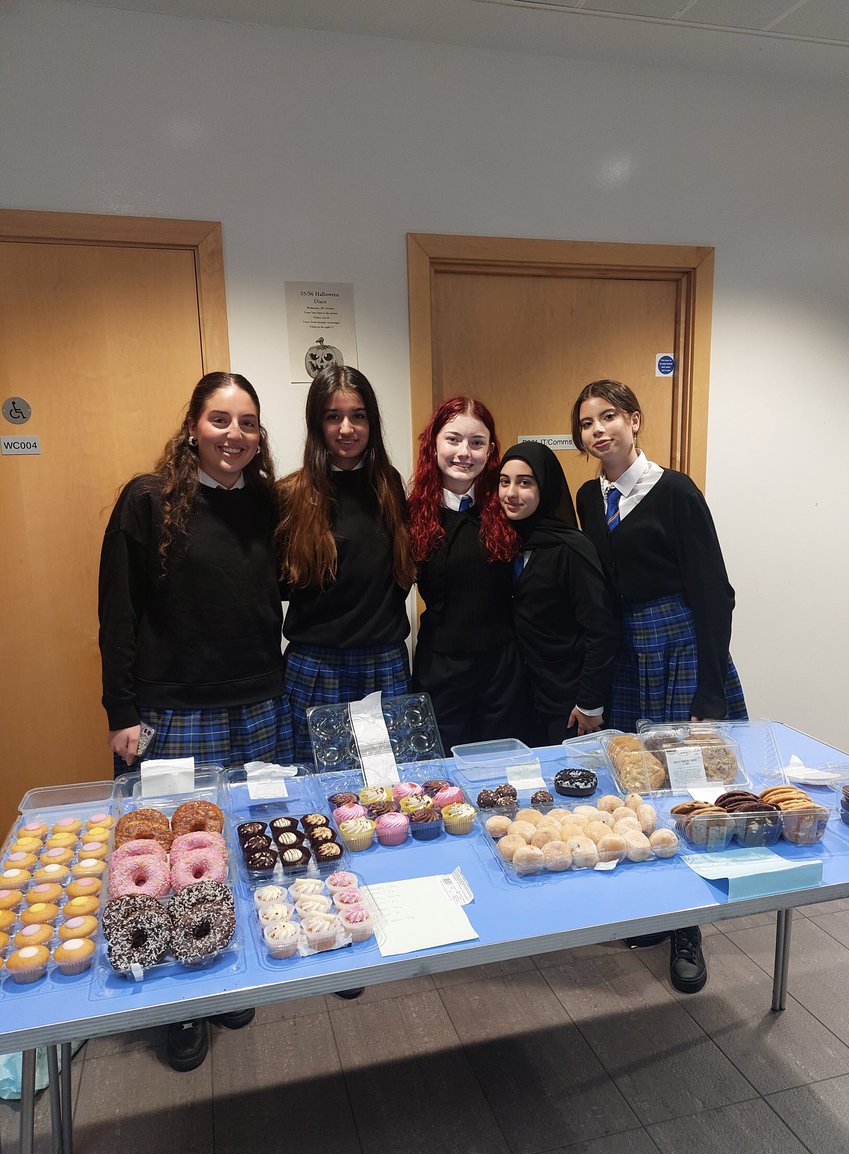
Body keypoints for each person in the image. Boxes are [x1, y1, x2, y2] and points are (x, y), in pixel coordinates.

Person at [99, 370, 289, 1069]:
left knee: (239, 844)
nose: (233, 435)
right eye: (219, 420)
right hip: (175, 710)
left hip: (261, 707)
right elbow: (117, 614)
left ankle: (226, 971)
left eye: (246, 423)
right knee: (172, 860)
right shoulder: (147, 501)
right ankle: (181, 1007)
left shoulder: (269, 502)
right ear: (192, 426)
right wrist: (122, 709)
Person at [571, 379, 748, 994]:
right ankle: (653, 905)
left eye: (610, 416)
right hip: (627, 658)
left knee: (687, 787)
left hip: (677, 647)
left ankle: (690, 929)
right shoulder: (589, 498)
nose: (599, 430)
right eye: (588, 422)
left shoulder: (674, 491)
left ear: (636, 421)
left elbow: (713, 591)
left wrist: (709, 688)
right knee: (636, 785)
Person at [279, 364, 414, 764]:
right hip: (315, 665)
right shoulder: (291, 494)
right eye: (333, 416)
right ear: (316, 424)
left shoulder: (388, 486)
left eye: (358, 415)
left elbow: (399, 573)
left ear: (371, 422)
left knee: (389, 783)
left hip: (384, 660)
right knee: (315, 782)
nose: (346, 428)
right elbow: (277, 584)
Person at [409, 397, 528, 751]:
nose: (465, 452)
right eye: (453, 439)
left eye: (476, 443)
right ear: (434, 444)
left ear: (490, 450)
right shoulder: (411, 514)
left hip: (502, 669)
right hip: (440, 668)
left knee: (498, 773)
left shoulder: (509, 508)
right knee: (443, 779)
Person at [498, 442, 620, 747]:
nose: (511, 492)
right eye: (504, 482)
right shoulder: (506, 542)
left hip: (571, 704)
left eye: (524, 482)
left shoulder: (570, 549)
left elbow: (601, 629)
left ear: (546, 487)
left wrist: (590, 703)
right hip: (523, 698)